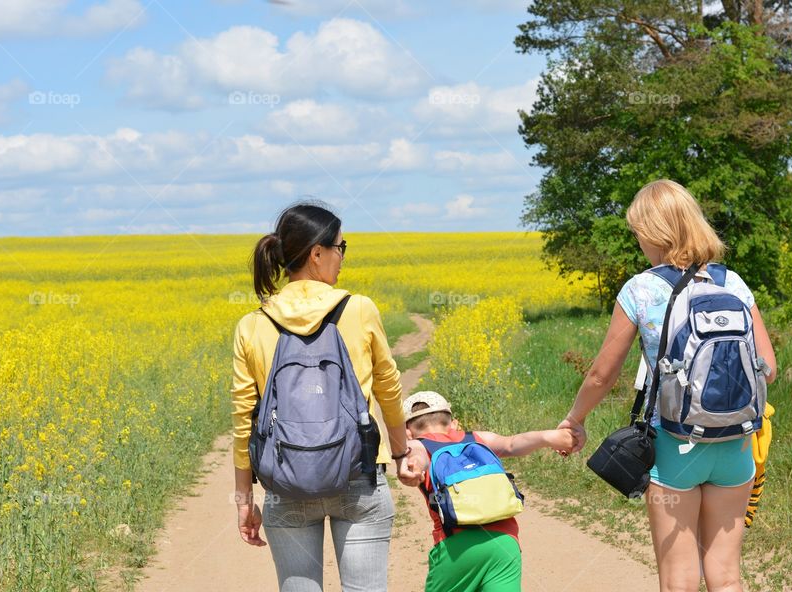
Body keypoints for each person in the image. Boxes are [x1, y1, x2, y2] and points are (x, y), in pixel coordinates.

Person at [557, 179, 778, 592]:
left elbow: (602, 375)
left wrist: (575, 419)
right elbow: (769, 370)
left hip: (675, 444)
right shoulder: (733, 284)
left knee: (679, 580)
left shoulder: (640, 289)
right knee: (727, 577)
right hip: (735, 445)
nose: (637, 239)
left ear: (653, 232)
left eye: (638, 230)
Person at [230, 202, 418, 591]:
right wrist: (401, 452)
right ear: (317, 253)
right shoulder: (360, 309)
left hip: (286, 482)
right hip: (358, 476)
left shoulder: (252, 324)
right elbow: (388, 389)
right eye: (340, 246)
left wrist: (244, 497)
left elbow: (243, 418)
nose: (342, 257)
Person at [402, 390, 575, 592]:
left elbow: (412, 459)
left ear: (408, 432)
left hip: (456, 548)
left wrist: (409, 466)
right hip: (505, 543)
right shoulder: (476, 438)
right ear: (454, 423)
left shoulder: (416, 446)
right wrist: (550, 437)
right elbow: (511, 444)